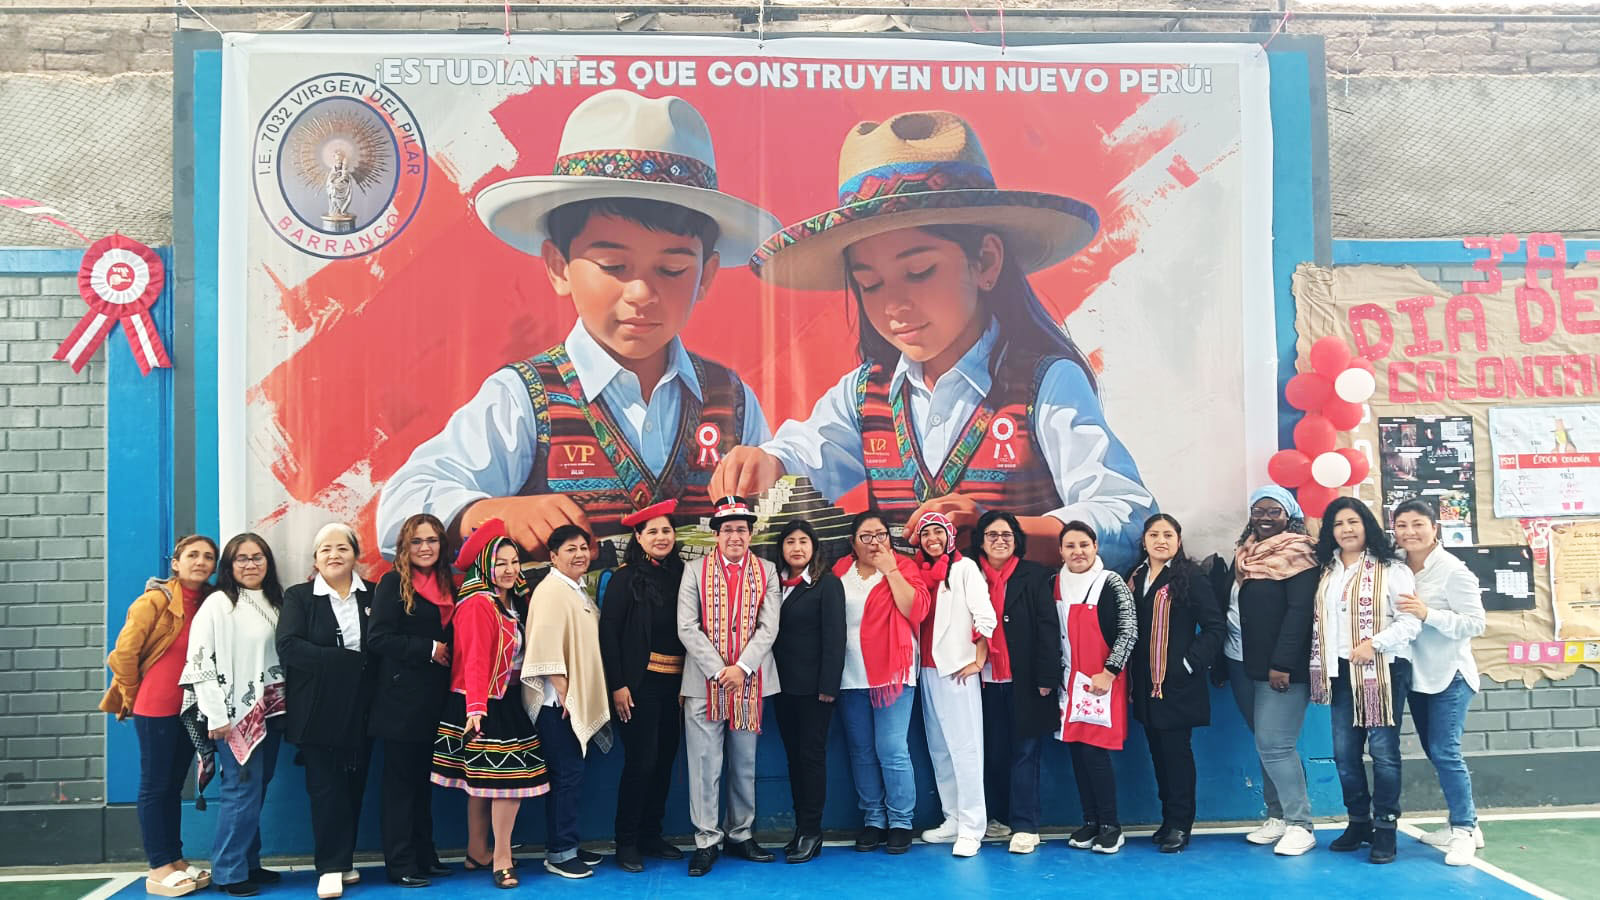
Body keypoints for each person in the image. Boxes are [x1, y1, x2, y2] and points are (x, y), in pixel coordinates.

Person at [713, 108, 1154, 571]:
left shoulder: (1045, 383)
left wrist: (999, 531)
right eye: (869, 283)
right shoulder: (864, 395)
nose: (893, 305)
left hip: (1016, 615)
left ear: (986, 261)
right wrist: (767, 463)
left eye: (919, 271)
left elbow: (1127, 518)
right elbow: (805, 451)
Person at [377, 89, 779, 557]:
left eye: (671, 270)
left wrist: (771, 479)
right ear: (558, 266)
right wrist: (490, 512)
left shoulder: (732, 401)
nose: (641, 293)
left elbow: (782, 524)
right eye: (613, 266)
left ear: (706, 276)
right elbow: (400, 509)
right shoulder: (523, 399)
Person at [430, 521, 549, 890]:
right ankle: (501, 858)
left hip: (503, 698)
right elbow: (475, 659)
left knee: (483, 781)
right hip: (484, 702)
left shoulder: (509, 602)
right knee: (506, 783)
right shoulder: (478, 603)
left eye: (514, 562)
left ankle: (477, 850)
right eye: (501, 563)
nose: (510, 570)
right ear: (485, 566)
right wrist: (477, 709)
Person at [104, 534, 217, 898]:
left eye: (208, 557)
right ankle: (158, 866)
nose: (201, 561)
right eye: (192, 555)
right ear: (176, 563)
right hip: (156, 707)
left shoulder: (211, 601)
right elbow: (122, 655)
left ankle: (175, 859)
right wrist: (133, 695)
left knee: (172, 785)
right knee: (155, 786)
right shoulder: (155, 600)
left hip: (190, 709)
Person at [676, 496, 783, 876]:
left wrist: (742, 668)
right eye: (727, 530)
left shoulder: (767, 571)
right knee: (704, 765)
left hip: (750, 682)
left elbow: (769, 626)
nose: (735, 536)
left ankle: (740, 834)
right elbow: (686, 626)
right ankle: (706, 839)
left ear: (750, 534)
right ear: (716, 535)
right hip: (704, 683)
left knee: (744, 763)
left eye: (741, 529)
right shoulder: (694, 571)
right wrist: (721, 671)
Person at [1313, 496, 1421, 865]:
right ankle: (1358, 822)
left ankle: (1386, 828)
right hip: (1341, 671)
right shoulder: (1327, 571)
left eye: (1352, 522)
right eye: (1338, 524)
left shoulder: (1391, 569)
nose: (1346, 529)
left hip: (1382, 669)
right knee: (1344, 754)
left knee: (1383, 753)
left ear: (1366, 526)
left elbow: (1411, 622)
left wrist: (1374, 643)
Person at [180, 533, 286, 897]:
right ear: (229, 565)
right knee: (240, 790)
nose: (250, 564)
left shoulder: (276, 600)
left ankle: (248, 862)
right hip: (232, 714)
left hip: (272, 710)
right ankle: (228, 871)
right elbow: (199, 663)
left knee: (257, 787)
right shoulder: (218, 604)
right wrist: (216, 715)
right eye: (242, 558)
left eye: (258, 557)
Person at [1219, 485, 1322, 856]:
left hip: (1280, 669)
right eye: (1258, 510)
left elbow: (1300, 614)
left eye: (1273, 511)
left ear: (1289, 514)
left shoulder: (1301, 554)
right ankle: (1277, 817)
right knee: (1265, 745)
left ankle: (1300, 824)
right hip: (1240, 661)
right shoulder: (1245, 553)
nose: (1264, 517)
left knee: (1276, 746)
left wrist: (1283, 664)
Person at [276, 523, 376, 900]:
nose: (334, 555)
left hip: (362, 709)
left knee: (354, 785)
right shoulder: (300, 597)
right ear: (315, 559)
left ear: (355, 555)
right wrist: (345, 661)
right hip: (316, 710)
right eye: (325, 550)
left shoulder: (374, 595)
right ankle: (330, 867)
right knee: (325, 789)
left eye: (342, 548)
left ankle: (344, 859)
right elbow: (289, 647)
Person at [831, 510, 931, 856]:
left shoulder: (904, 567)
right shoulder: (840, 571)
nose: (875, 543)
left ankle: (901, 821)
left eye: (881, 535)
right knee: (861, 750)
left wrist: (890, 571)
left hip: (892, 673)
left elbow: (916, 610)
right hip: (850, 674)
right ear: (852, 542)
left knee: (891, 748)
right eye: (866, 536)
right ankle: (874, 819)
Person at [1392, 498, 1486, 866]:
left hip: (1451, 674)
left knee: (1446, 751)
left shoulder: (1453, 571)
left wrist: (1427, 613)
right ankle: (1466, 821)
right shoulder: (1395, 566)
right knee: (1435, 751)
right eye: (1402, 525)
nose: (1410, 532)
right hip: (1417, 675)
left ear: (1435, 528)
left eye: (1418, 524)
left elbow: (1475, 623)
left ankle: (1463, 830)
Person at [1125, 514, 1225, 854]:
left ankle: (1181, 824)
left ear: (1178, 541)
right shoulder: (1136, 577)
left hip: (1177, 685)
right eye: (1154, 534)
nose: (1161, 540)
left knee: (1177, 755)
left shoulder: (1189, 576)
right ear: (1144, 541)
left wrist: (1187, 663)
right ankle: (1168, 820)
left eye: (1168, 535)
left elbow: (1214, 627)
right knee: (1158, 754)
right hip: (1145, 684)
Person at [599, 500, 690, 873]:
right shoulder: (625, 579)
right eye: (652, 531)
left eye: (666, 530)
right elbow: (608, 634)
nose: (661, 537)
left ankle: (652, 835)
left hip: (676, 686)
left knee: (665, 760)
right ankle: (627, 841)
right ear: (638, 537)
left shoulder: (684, 575)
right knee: (642, 761)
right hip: (638, 686)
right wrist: (618, 685)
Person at [368, 513, 455, 887]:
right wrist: (428, 648)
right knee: (400, 787)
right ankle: (401, 864)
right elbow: (378, 638)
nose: (425, 547)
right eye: (417, 541)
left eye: (432, 540)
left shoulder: (448, 582)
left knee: (422, 784)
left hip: (435, 701)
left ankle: (425, 856)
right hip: (400, 704)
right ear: (405, 546)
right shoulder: (393, 583)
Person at [522, 523, 613, 879]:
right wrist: (565, 691)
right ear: (553, 556)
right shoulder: (551, 591)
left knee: (572, 776)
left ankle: (569, 843)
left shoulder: (575, 589)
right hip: (557, 705)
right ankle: (560, 853)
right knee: (566, 776)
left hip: (567, 701)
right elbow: (544, 645)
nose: (579, 555)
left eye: (583, 548)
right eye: (570, 549)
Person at [970, 510, 1062, 854]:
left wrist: (1047, 676)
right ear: (981, 541)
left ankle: (1025, 825)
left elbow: (1048, 627)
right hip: (981, 681)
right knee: (993, 752)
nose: (999, 541)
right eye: (992, 535)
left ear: (1016, 540)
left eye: (1006, 535)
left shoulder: (1033, 575)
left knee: (1025, 752)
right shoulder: (969, 573)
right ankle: (997, 818)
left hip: (1025, 680)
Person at [911, 511, 995, 857]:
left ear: (949, 536)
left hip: (958, 670)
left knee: (966, 749)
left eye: (937, 532)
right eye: (925, 534)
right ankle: (953, 819)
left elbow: (984, 614)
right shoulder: (919, 573)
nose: (932, 539)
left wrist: (978, 660)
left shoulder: (964, 568)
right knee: (940, 749)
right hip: (927, 670)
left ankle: (973, 827)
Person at [1053, 521, 1137, 855]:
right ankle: (1090, 820)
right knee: (1076, 751)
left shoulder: (1110, 582)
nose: (1078, 552)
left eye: (1084, 545)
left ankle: (1110, 826)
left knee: (1094, 752)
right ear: (1060, 551)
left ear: (1095, 546)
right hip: (1067, 683)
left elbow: (1129, 630)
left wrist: (1110, 671)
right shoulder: (1054, 583)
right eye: (1070, 546)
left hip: (1100, 683)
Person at [770, 518, 847, 864]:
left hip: (815, 691)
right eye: (790, 542)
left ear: (814, 547)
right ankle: (800, 829)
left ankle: (812, 832)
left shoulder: (826, 584)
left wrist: (829, 685)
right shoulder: (775, 585)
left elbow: (835, 637)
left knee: (811, 758)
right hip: (782, 688)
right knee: (794, 758)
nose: (797, 547)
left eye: (803, 541)